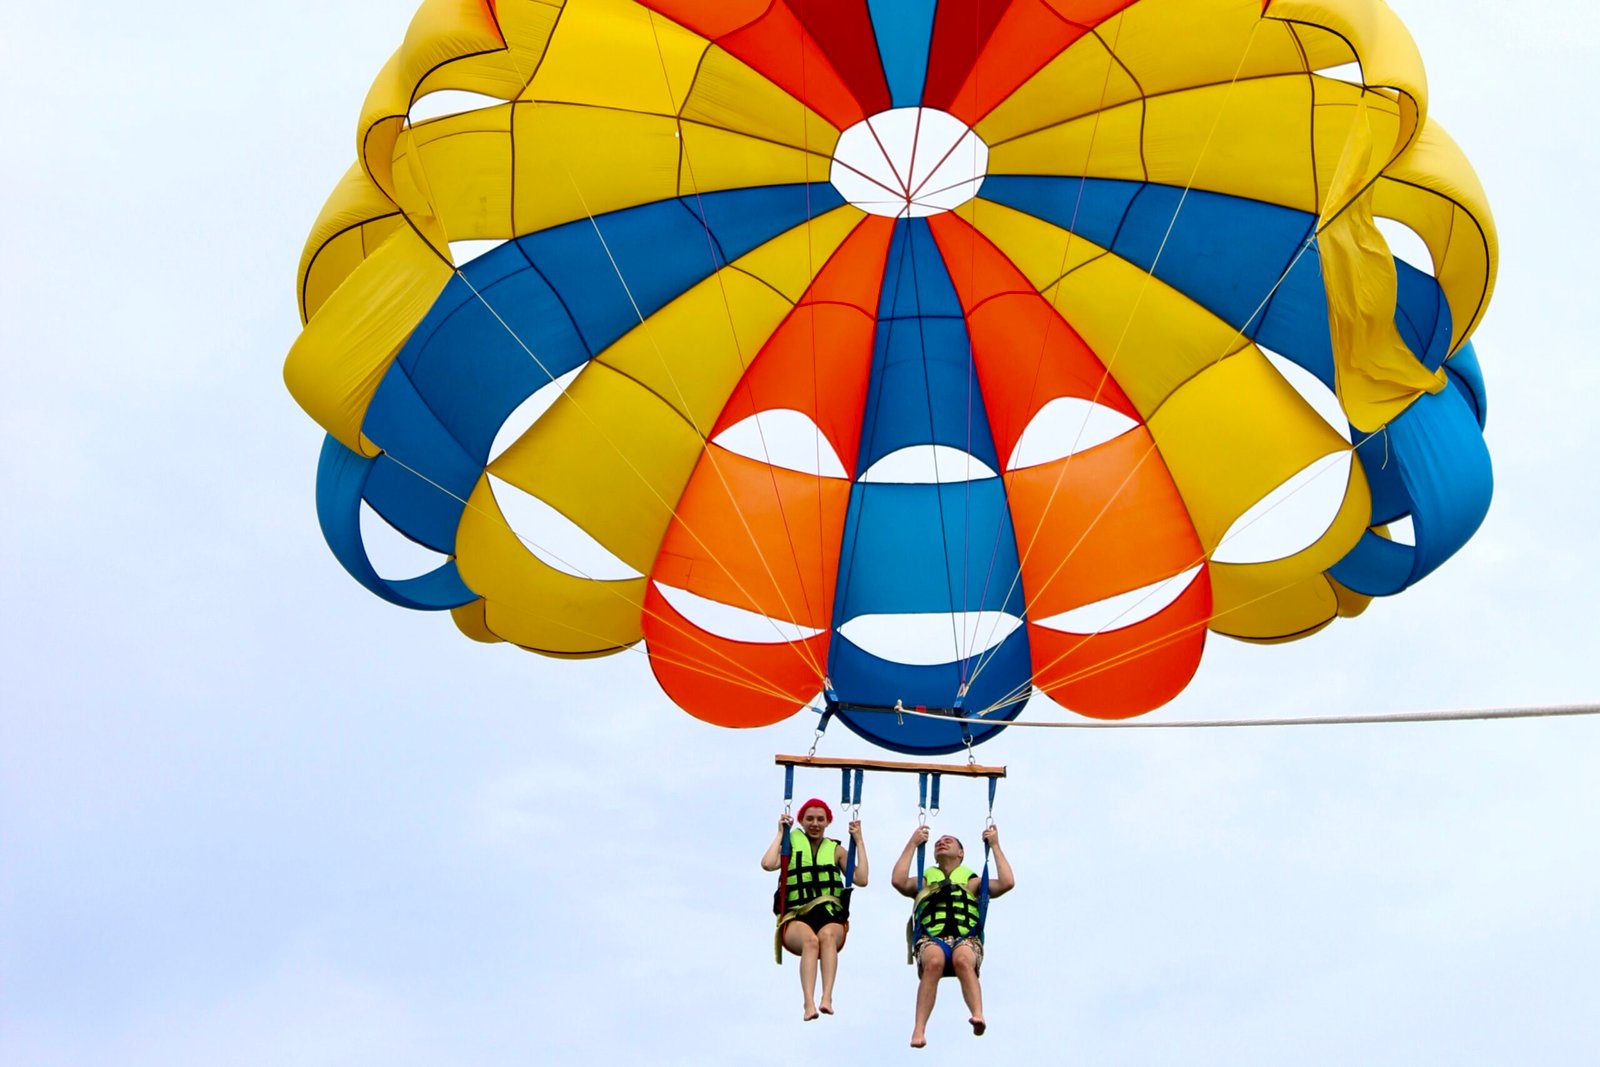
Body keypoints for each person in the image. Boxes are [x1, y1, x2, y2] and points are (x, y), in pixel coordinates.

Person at [891, 824, 1015, 1048]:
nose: (942, 842)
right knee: (934, 962)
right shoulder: (925, 881)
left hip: (966, 938)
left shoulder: (972, 882)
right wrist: (913, 843)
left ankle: (978, 1014)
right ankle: (919, 1029)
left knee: (963, 960)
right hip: (932, 937)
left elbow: (1007, 882)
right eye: (939, 841)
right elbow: (898, 880)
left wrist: (995, 845)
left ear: (961, 853)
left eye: (949, 841)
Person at [761, 798, 868, 1021]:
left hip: (830, 916)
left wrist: (859, 840)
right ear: (801, 821)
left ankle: (827, 998)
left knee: (826, 937)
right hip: (796, 916)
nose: (815, 824)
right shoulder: (790, 845)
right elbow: (768, 864)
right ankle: (808, 1003)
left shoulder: (836, 850)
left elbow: (861, 878)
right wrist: (781, 833)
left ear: (828, 822)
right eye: (809, 819)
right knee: (811, 942)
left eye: (820, 819)